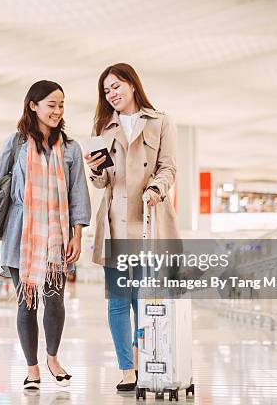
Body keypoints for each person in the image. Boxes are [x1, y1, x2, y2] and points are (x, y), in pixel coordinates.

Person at [0, 80, 91, 390]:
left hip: (56, 237)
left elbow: (78, 196)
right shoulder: (15, 144)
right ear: (33, 106)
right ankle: (32, 369)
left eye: (61, 106)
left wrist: (77, 235)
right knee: (26, 303)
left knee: (55, 302)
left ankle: (52, 357)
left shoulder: (70, 149)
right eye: (51, 105)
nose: (57, 111)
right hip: (20, 234)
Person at [84, 63, 180, 392]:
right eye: (106, 90)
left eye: (116, 86)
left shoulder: (160, 122)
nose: (112, 94)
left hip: (150, 219)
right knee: (118, 300)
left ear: (132, 85)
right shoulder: (102, 129)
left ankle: (148, 360)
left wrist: (157, 188)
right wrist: (95, 170)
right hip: (115, 221)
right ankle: (127, 369)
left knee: (145, 298)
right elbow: (101, 183)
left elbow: (168, 166)